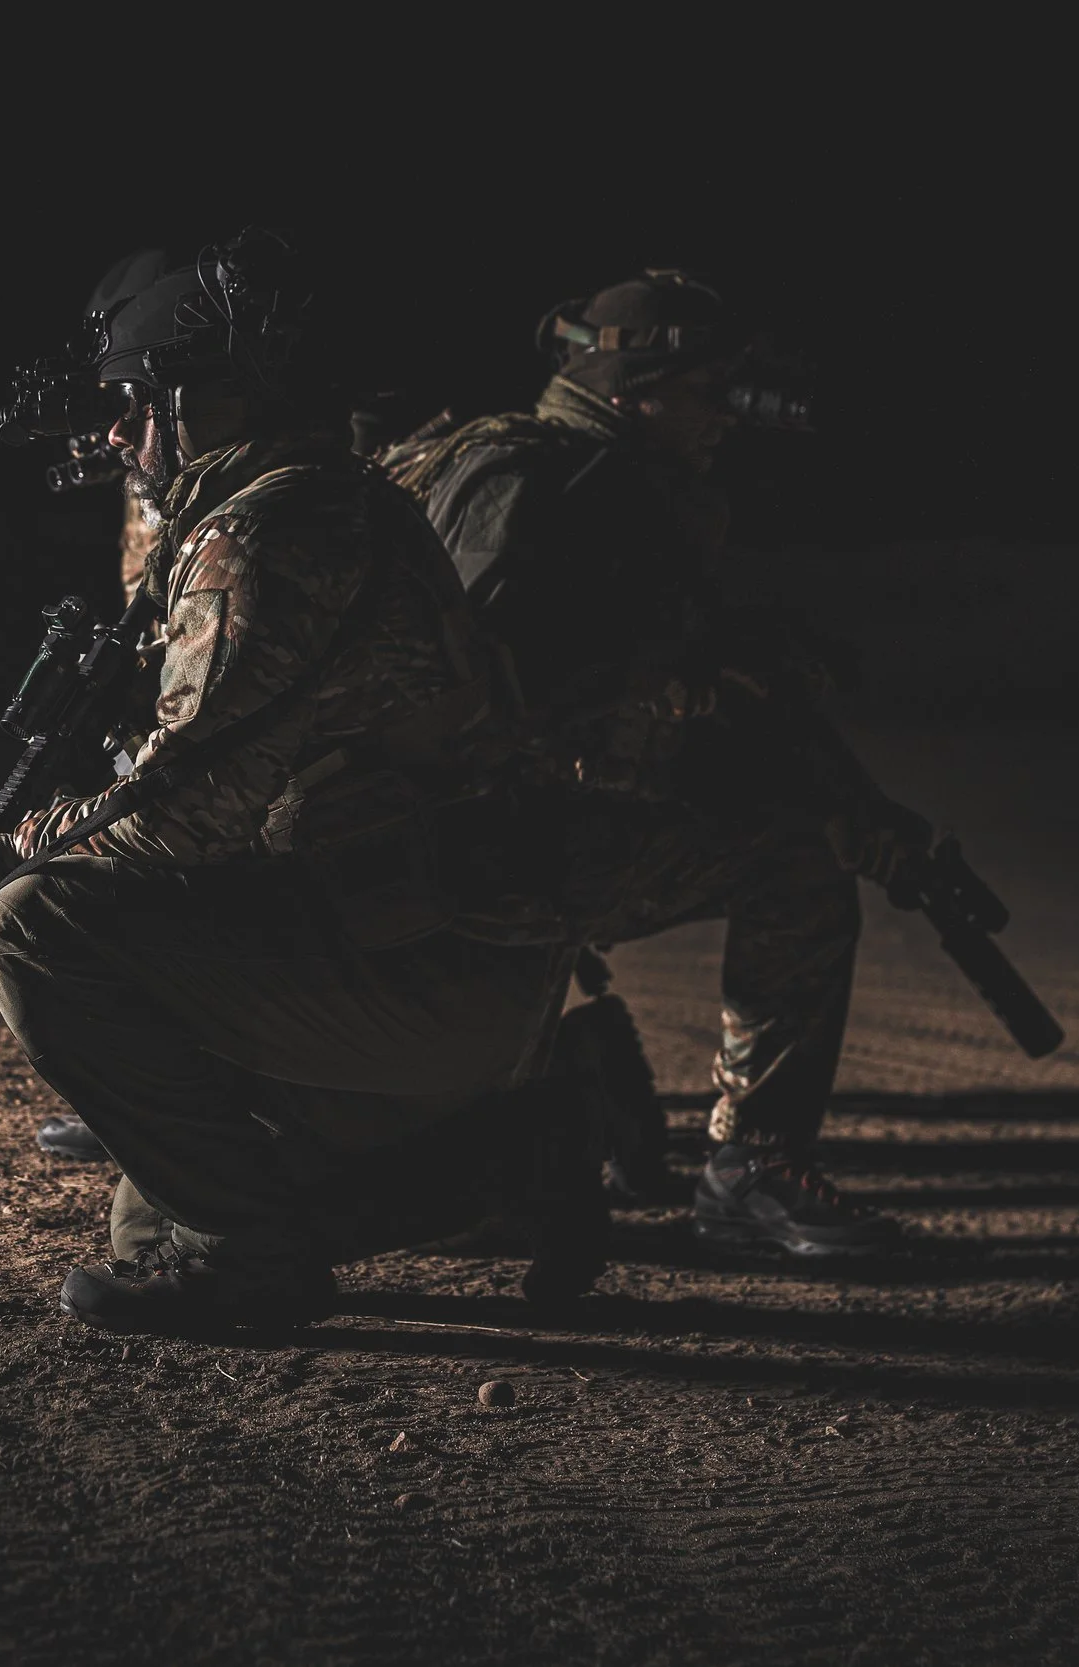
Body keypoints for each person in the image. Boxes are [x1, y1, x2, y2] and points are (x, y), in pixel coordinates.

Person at [0, 232, 585, 1333]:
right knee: (147, 1227)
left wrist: (23, 842)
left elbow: (184, 816)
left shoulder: (267, 534)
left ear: (211, 403)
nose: (116, 430)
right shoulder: (330, 499)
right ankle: (512, 1154)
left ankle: (260, 1258)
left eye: (137, 402)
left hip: (424, 969)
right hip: (446, 949)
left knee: (31, 927)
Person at [383, 270, 935, 1257]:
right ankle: (745, 1168)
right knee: (792, 865)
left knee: (790, 834)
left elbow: (675, 697)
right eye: (708, 388)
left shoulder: (627, 489)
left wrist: (841, 789)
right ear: (633, 387)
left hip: (515, 844)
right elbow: (451, 694)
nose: (729, 415)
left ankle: (611, 1107)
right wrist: (667, 674)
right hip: (454, 861)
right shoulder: (534, 479)